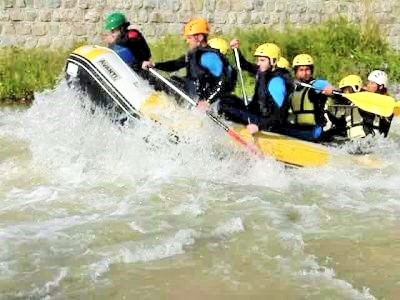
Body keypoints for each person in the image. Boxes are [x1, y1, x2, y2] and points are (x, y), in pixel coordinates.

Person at [142, 18, 235, 109]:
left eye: (189, 38)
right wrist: (155, 65)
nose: (187, 41)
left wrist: (208, 101)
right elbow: (175, 64)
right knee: (167, 80)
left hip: (201, 99)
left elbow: (223, 81)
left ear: (200, 37)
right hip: (189, 91)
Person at [218, 40, 293, 134]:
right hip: (257, 114)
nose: (258, 63)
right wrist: (235, 49)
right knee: (227, 100)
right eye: (258, 60)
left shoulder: (276, 82)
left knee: (225, 107)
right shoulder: (262, 70)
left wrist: (259, 126)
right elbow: (243, 64)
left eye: (262, 60)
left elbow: (280, 116)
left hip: (267, 123)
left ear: (273, 61)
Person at [284, 54, 336, 141]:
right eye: (301, 70)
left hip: (316, 130)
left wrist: (331, 90)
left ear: (311, 70)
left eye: (307, 69)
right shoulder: (292, 87)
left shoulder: (317, 84)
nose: (304, 73)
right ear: (295, 71)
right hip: (298, 128)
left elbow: (332, 89)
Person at [327, 74, 366, 139]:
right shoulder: (347, 105)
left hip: (362, 138)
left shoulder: (363, 102)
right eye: (344, 90)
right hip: (352, 140)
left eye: (347, 89)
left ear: (356, 88)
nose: (345, 92)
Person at [362, 70, 393, 137]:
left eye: (372, 83)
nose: (368, 85)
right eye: (369, 82)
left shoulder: (387, 101)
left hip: (377, 140)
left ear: (381, 86)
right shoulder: (366, 94)